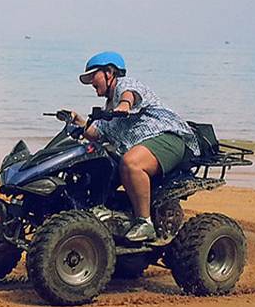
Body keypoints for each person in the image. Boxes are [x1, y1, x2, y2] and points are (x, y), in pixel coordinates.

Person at [71, 51, 199, 243]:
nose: (91, 82)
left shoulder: (125, 85)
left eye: (93, 76)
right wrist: (78, 121)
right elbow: (97, 134)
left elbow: (129, 94)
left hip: (167, 138)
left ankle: (144, 222)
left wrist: (124, 104)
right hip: (145, 145)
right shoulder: (108, 109)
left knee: (131, 163)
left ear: (109, 72)